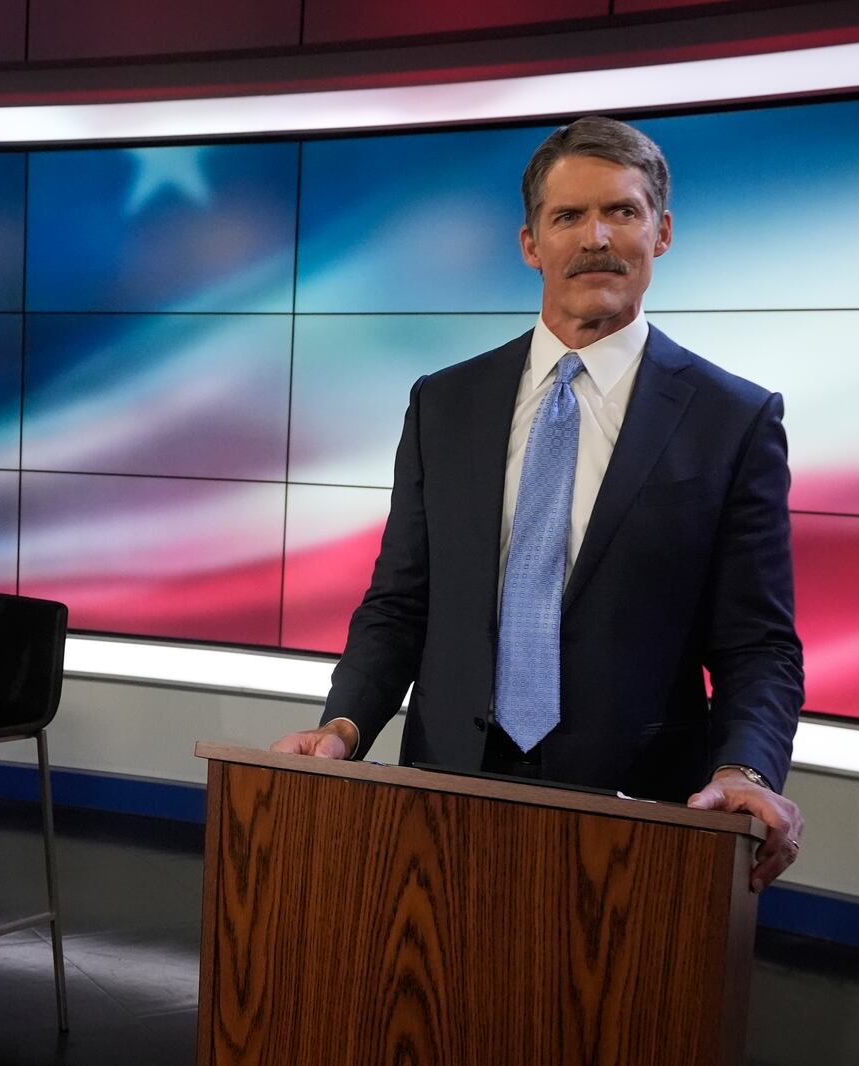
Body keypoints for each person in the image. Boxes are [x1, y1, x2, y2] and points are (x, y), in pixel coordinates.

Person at [273, 116, 805, 892]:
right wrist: (344, 725)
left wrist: (745, 766)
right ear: (531, 244)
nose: (597, 236)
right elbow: (400, 602)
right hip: (443, 793)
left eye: (622, 211)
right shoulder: (443, 404)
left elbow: (758, 643)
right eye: (568, 216)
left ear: (661, 233)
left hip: (638, 817)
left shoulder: (735, 419)